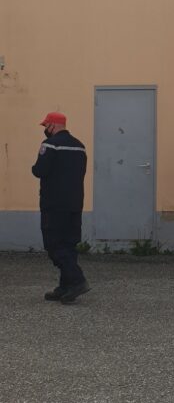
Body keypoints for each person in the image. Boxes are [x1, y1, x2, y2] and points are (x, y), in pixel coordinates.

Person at [32, 111, 90, 304]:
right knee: (68, 244)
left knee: (54, 244)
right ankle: (66, 287)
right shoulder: (80, 146)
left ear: (53, 125)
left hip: (54, 204)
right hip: (74, 203)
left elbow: (40, 170)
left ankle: (77, 280)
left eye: (45, 126)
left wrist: (34, 168)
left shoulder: (50, 145)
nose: (45, 129)